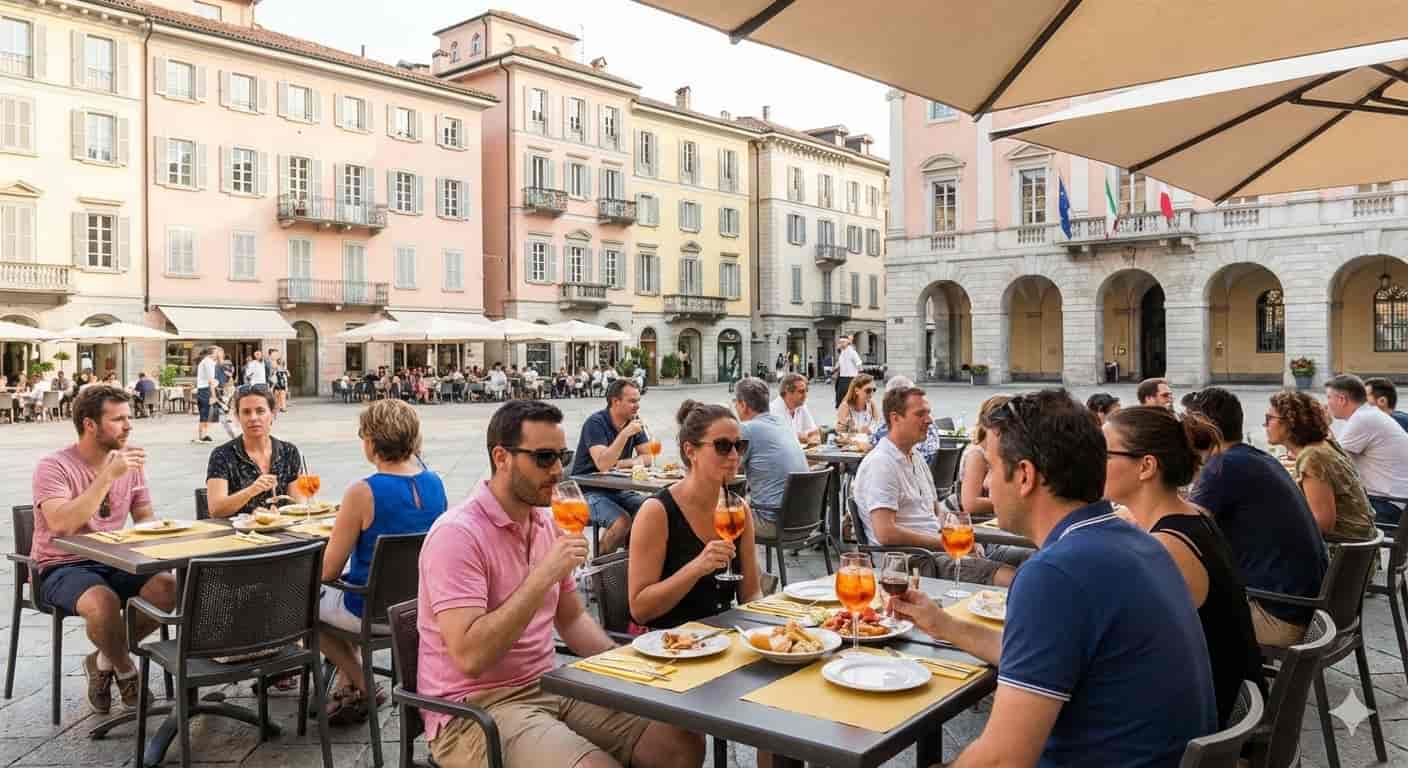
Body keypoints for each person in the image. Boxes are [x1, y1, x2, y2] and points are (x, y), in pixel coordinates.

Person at [890, 389, 1217, 766]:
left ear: (1025, 475)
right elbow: (1042, 656)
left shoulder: (1056, 574)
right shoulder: (1137, 543)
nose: (986, 485)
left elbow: (1002, 760)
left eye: (993, 469)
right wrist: (942, 624)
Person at [416, 400, 704, 768]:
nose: (557, 470)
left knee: (682, 743)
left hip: (550, 684)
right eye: (544, 457)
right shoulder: (457, 535)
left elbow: (571, 619)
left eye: (562, 456)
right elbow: (471, 657)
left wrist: (624, 666)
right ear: (501, 457)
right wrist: (543, 576)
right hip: (474, 709)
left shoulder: (545, 522)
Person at [1103, 406, 1264, 726]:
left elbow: (1119, 648)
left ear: (1146, 466)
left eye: (1104, 453)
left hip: (1205, 729)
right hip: (1225, 702)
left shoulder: (1167, 546)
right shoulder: (1192, 517)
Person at [32, 386, 177, 714]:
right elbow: (61, 524)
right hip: (62, 564)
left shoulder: (131, 463)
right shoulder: (53, 466)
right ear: (90, 424)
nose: (129, 426)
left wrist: (161, 536)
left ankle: (102, 657)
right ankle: (125, 669)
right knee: (103, 603)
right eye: (118, 419)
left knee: (169, 587)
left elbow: (143, 517)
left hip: (114, 557)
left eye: (129, 418)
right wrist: (107, 477)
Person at [319, 399, 447, 723]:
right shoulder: (435, 483)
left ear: (371, 442)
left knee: (303, 606)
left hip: (370, 611)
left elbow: (328, 570)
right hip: (417, 606)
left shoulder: (362, 492)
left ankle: (362, 680)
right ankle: (349, 688)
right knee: (349, 587)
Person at [1185, 387, 1327, 647]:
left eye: (1186, 423)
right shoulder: (1255, 458)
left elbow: (1186, 534)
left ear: (1202, 428)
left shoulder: (1222, 467)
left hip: (1279, 617)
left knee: (1168, 614)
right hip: (1307, 608)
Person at [853, 386, 1019, 587]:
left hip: (936, 552)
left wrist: (959, 533)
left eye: (928, 413)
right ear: (895, 418)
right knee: (1015, 578)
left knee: (1030, 561)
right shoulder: (882, 463)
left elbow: (936, 511)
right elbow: (885, 533)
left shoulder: (914, 456)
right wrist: (946, 543)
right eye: (920, 414)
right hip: (913, 562)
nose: (930, 420)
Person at [628, 400, 762, 629]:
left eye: (739, 446)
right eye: (722, 446)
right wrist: (697, 567)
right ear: (690, 451)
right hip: (669, 647)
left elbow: (751, 594)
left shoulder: (738, 509)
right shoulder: (657, 512)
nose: (733, 456)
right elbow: (640, 610)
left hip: (724, 641)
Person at [1265, 390, 1377, 541]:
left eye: (1269, 418)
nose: (1265, 424)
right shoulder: (1324, 444)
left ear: (1290, 422)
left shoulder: (1313, 457)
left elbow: (1322, 525)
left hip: (1342, 554)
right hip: (1357, 549)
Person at [570, 379, 653, 555]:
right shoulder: (595, 423)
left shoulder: (633, 421)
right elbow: (603, 464)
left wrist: (624, 463)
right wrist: (625, 433)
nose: (637, 406)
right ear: (615, 402)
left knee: (653, 509)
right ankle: (598, 573)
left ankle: (630, 565)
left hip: (618, 489)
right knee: (621, 522)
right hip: (588, 491)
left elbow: (647, 458)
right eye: (632, 401)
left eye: (638, 400)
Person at [205, 385, 304, 519]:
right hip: (237, 535)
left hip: (284, 533)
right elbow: (216, 510)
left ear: (273, 414)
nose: (253, 418)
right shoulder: (222, 455)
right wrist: (251, 490)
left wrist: (277, 516)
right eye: (246, 412)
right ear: (238, 417)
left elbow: (298, 505)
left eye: (260, 411)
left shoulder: (289, 451)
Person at [1325, 374, 1408, 525]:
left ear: (1342, 399)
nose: (1327, 403)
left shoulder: (1362, 419)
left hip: (1389, 505)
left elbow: (1332, 464)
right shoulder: (1367, 414)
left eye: (1329, 397)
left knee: (1319, 514)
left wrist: (1320, 426)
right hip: (1396, 501)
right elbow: (1335, 456)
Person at [733, 377, 809, 538]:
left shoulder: (746, 429)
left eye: (735, 402)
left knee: (714, 514)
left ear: (743, 405)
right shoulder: (783, 424)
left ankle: (732, 563)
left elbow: (728, 470)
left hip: (774, 522)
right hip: (806, 520)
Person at [949, 395, 1011, 518]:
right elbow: (970, 504)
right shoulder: (977, 455)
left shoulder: (999, 451)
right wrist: (1011, 504)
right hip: (979, 521)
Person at [769, 373, 820, 445]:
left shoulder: (801, 406)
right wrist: (802, 438)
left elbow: (814, 432)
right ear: (788, 392)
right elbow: (781, 439)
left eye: (806, 391)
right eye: (801, 392)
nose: (805, 396)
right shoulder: (773, 410)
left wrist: (812, 438)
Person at [194, 345, 223, 443]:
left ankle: (203, 435)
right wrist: (213, 396)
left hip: (202, 389)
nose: (219, 354)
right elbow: (210, 381)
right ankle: (202, 436)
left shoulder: (206, 361)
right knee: (205, 413)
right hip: (205, 390)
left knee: (204, 413)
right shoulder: (208, 362)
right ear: (213, 353)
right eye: (217, 352)